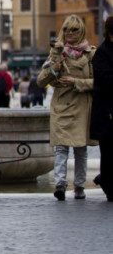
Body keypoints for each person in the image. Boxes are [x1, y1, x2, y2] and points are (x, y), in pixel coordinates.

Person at [37, 15, 95, 201]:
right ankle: (60, 185)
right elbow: (41, 81)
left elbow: (99, 82)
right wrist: (54, 68)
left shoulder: (91, 54)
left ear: (81, 31)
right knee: (61, 149)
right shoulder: (57, 52)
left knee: (80, 149)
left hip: (81, 106)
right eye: (67, 29)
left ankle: (79, 187)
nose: (70, 33)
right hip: (61, 106)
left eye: (74, 30)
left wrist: (76, 82)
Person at [90, 16, 113, 201]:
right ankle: (108, 184)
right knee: (109, 150)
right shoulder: (102, 53)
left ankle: (104, 178)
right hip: (107, 111)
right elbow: (104, 80)